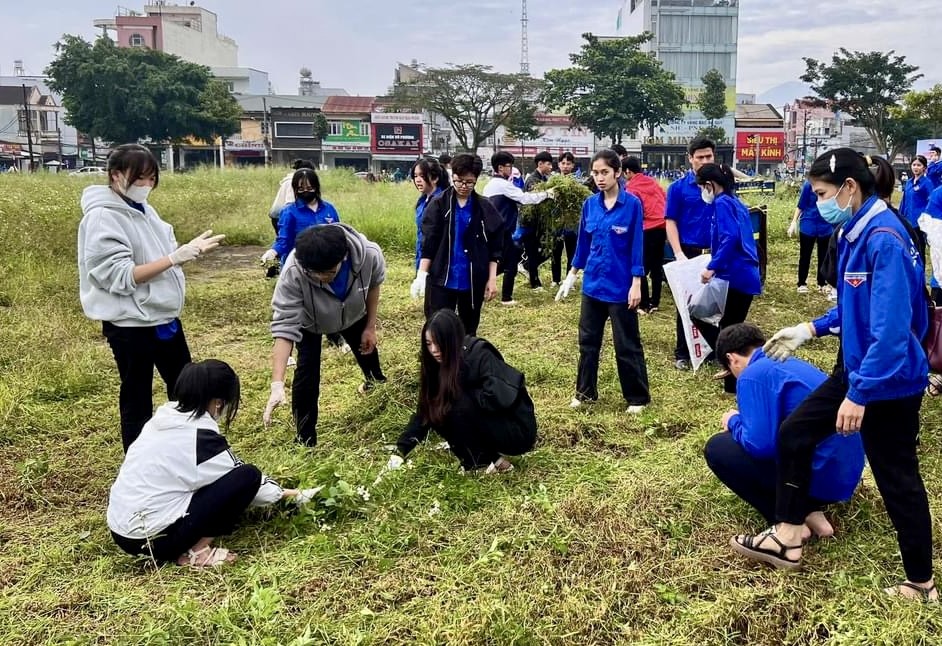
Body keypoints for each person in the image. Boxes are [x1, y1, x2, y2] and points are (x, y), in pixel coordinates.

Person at [731, 149, 935, 602]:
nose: (818, 202)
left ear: (848, 187)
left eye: (822, 193)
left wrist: (860, 394)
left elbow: (893, 331)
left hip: (888, 380)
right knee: (796, 433)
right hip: (858, 367)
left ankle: (921, 583)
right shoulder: (856, 231)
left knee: (897, 477)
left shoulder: (883, 238)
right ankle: (787, 534)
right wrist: (809, 328)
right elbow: (856, 306)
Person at [78, 143, 225, 452]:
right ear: (116, 176)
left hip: (163, 317)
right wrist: (174, 258)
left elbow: (160, 254)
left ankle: (189, 450)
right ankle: (138, 458)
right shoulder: (103, 217)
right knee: (137, 395)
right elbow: (121, 276)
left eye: (151, 179)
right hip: (131, 324)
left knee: (186, 388)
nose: (146, 186)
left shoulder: (145, 210)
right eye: (139, 178)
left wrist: (183, 252)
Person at [107, 360, 304, 567]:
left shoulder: (163, 418)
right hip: (154, 541)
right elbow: (250, 486)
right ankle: (198, 551)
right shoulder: (201, 441)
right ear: (218, 402)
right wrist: (293, 495)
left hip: (121, 533)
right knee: (249, 475)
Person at [703, 323, 864, 534]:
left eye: (730, 371)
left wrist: (733, 421)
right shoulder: (787, 362)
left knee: (717, 447)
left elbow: (759, 445)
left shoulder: (752, 374)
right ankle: (811, 511)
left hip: (816, 477)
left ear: (732, 358)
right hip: (845, 475)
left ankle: (790, 521)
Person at [264, 224, 387, 447]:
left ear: (345, 256)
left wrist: (370, 326)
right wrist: (277, 384)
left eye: (329, 272)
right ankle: (305, 438)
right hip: (310, 322)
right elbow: (284, 328)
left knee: (368, 355)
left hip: (353, 313)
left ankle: (379, 391)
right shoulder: (293, 270)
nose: (322, 278)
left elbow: (374, 286)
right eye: (315, 274)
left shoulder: (369, 254)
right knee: (307, 375)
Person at [555, 149, 650, 413]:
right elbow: (583, 244)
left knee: (626, 344)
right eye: (595, 173)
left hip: (620, 288)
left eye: (605, 172)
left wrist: (636, 282)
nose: (599, 178)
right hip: (593, 286)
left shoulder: (631, 205)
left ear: (617, 173)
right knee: (587, 342)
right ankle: (585, 393)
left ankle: (637, 397)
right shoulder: (589, 205)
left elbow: (636, 246)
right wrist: (572, 275)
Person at [389, 309, 537, 472]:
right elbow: (425, 411)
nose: (434, 350)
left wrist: (458, 394)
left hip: (514, 427)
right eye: (429, 343)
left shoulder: (479, 354)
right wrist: (401, 450)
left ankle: (479, 462)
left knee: (449, 403)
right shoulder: (434, 363)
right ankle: (488, 461)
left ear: (452, 340)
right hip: (484, 420)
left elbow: (499, 397)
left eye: (439, 342)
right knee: (438, 407)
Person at [411, 154, 503, 335]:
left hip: (472, 278)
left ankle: (464, 360)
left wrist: (492, 279)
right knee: (437, 328)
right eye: (458, 181)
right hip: (441, 278)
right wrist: (421, 275)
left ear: (476, 180)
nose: (463, 186)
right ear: (452, 177)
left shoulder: (485, 207)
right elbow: (429, 243)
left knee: (469, 329)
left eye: (469, 182)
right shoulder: (439, 205)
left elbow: (495, 247)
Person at [692, 163, 761, 393]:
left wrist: (712, 266)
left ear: (710, 185)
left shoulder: (722, 203)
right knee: (730, 325)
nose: (702, 191)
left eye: (702, 186)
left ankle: (733, 379)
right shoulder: (734, 202)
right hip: (745, 273)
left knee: (726, 328)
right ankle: (731, 371)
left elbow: (730, 238)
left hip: (736, 274)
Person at [666, 137, 716, 370]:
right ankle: (683, 352)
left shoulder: (720, 186)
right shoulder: (678, 188)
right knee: (686, 304)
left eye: (709, 156)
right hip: (689, 251)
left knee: (715, 303)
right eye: (700, 157)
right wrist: (678, 253)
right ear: (690, 159)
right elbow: (671, 222)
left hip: (715, 252)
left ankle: (715, 350)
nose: (705, 161)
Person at [261, 168, 340, 267]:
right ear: (295, 189)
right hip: (299, 264)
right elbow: (283, 240)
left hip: (327, 263)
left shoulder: (329, 208)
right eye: (301, 189)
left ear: (316, 187)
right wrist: (273, 252)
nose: (306, 191)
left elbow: (338, 234)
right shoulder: (289, 212)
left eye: (309, 188)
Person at [623, 156, 667, 313]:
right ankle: (655, 303)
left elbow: (635, 212)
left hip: (646, 229)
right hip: (662, 227)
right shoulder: (653, 182)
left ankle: (643, 304)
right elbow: (664, 198)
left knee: (640, 266)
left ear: (627, 171)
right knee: (656, 266)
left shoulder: (631, 187)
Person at [787, 180, 833, 295]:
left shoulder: (832, 184)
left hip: (826, 225)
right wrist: (794, 222)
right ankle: (802, 283)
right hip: (809, 223)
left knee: (824, 256)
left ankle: (822, 283)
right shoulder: (809, 185)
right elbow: (801, 205)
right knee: (805, 255)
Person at [411, 157, 450, 269]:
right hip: (422, 254)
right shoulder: (422, 200)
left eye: (422, 176)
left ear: (435, 178)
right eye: (415, 176)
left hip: (437, 261)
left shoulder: (442, 201)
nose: (417, 180)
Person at [550, 152, 580, 288]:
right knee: (555, 252)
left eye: (568, 163)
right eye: (563, 163)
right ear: (558, 165)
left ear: (573, 165)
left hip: (572, 223)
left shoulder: (577, 183)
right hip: (556, 222)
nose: (566, 166)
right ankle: (555, 279)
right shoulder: (553, 182)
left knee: (571, 252)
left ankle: (569, 280)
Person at [900, 155, 936, 254]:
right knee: (908, 250)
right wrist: (900, 217)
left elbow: (932, 203)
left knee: (919, 251)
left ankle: (921, 269)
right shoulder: (908, 183)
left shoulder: (927, 183)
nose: (916, 167)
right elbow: (904, 201)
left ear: (924, 167)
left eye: (919, 165)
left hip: (919, 224)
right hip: (907, 221)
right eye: (914, 165)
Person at [268, 159, 314, 235]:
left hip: (279, 216)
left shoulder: (292, 180)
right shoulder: (293, 182)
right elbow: (290, 204)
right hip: (281, 218)